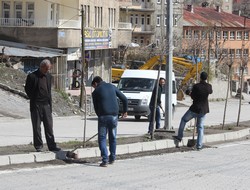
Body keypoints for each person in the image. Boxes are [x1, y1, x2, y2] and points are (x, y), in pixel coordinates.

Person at [25, 59, 61, 152]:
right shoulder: (32, 76)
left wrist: (49, 104)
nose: (47, 71)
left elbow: (49, 91)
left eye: (48, 69)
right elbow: (27, 89)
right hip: (36, 104)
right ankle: (38, 146)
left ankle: (52, 146)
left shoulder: (49, 77)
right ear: (41, 67)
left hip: (46, 105)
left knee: (49, 126)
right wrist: (33, 98)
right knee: (37, 127)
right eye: (46, 69)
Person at [91, 76, 128, 167]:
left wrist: (99, 115)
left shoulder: (95, 92)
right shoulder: (112, 87)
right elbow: (124, 99)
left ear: (95, 83)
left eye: (94, 86)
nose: (94, 88)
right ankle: (112, 157)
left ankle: (105, 160)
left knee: (102, 138)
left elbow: (96, 107)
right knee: (113, 137)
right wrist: (125, 111)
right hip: (114, 116)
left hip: (103, 116)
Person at [173, 71, 213, 150]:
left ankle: (179, 137)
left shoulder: (196, 86)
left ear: (200, 77)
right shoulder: (209, 86)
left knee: (183, 120)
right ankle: (199, 145)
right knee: (200, 127)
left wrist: (189, 93)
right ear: (206, 78)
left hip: (194, 109)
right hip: (203, 110)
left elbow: (193, 97)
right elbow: (210, 92)